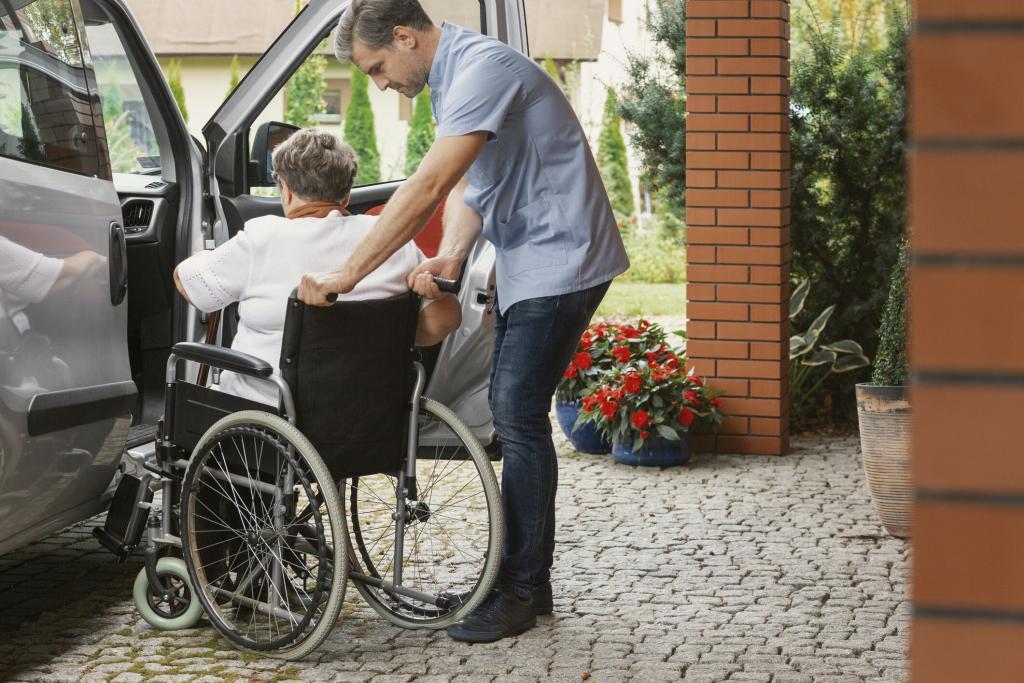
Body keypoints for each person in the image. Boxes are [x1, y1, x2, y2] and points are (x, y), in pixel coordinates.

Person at [297, 0, 629, 642]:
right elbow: (471, 189)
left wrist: (348, 274)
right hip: (529, 260)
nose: (380, 83)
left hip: (563, 258)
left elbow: (427, 184)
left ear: (403, 36)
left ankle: (521, 590)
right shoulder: (450, 82)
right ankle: (521, 580)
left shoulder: (482, 68)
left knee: (517, 417)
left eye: (376, 67)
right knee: (517, 414)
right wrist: (451, 253)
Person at [173, 128, 462, 406]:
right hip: (368, 422)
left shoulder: (261, 239)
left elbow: (188, 283)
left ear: (285, 190)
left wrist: (202, 257)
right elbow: (442, 321)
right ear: (346, 195)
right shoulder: (393, 242)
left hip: (264, 426)